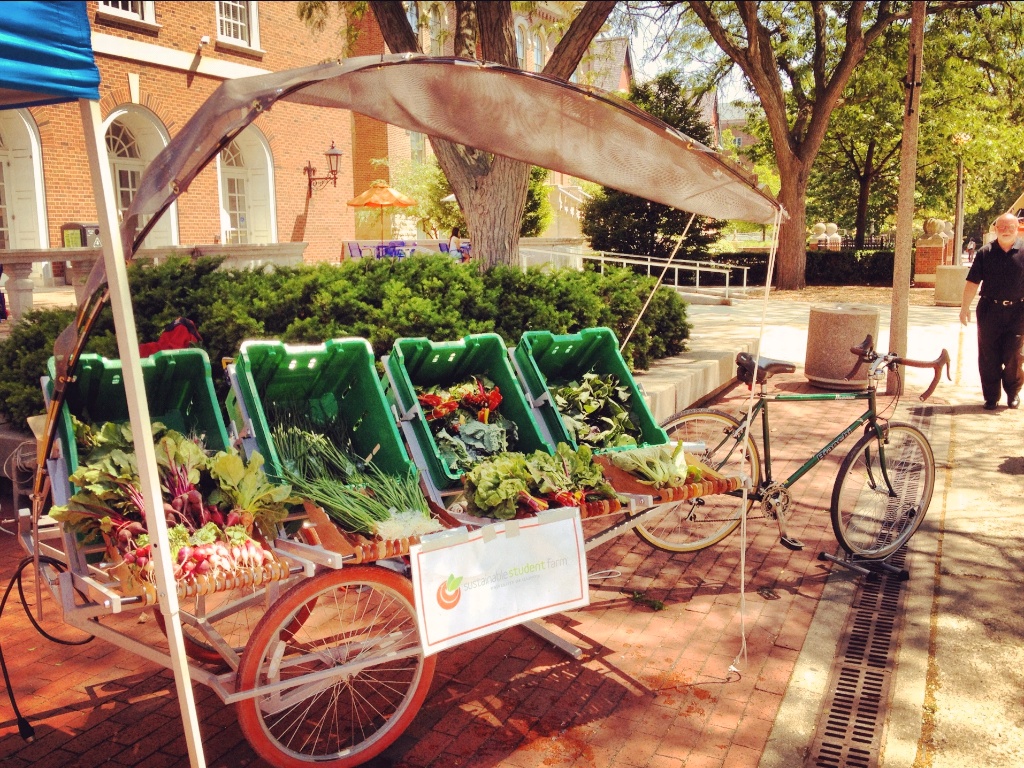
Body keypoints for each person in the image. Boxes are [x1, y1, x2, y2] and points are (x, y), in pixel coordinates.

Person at [959, 212, 1024, 410]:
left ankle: (1012, 393)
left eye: (1010, 227)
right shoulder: (985, 252)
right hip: (989, 310)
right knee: (988, 355)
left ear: (1017, 229)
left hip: (1018, 311)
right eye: (1001, 227)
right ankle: (991, 397)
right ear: (996, 229)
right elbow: (972, 282)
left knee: (1014, 354)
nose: (1006, 231)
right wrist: (964, 308)